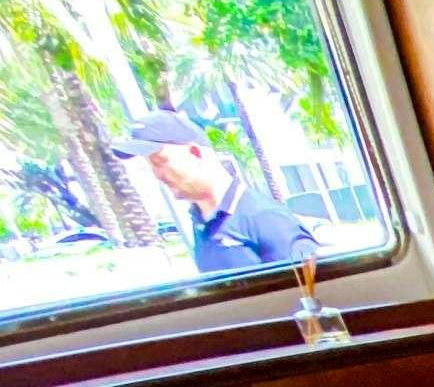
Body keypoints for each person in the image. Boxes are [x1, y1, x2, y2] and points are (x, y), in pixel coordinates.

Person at [109, 110, 316, 277]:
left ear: (195, 153)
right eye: (150, 165)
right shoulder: (202, 223)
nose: (157, 174)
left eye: (160, 161)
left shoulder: (265, 219)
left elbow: (312, 293)